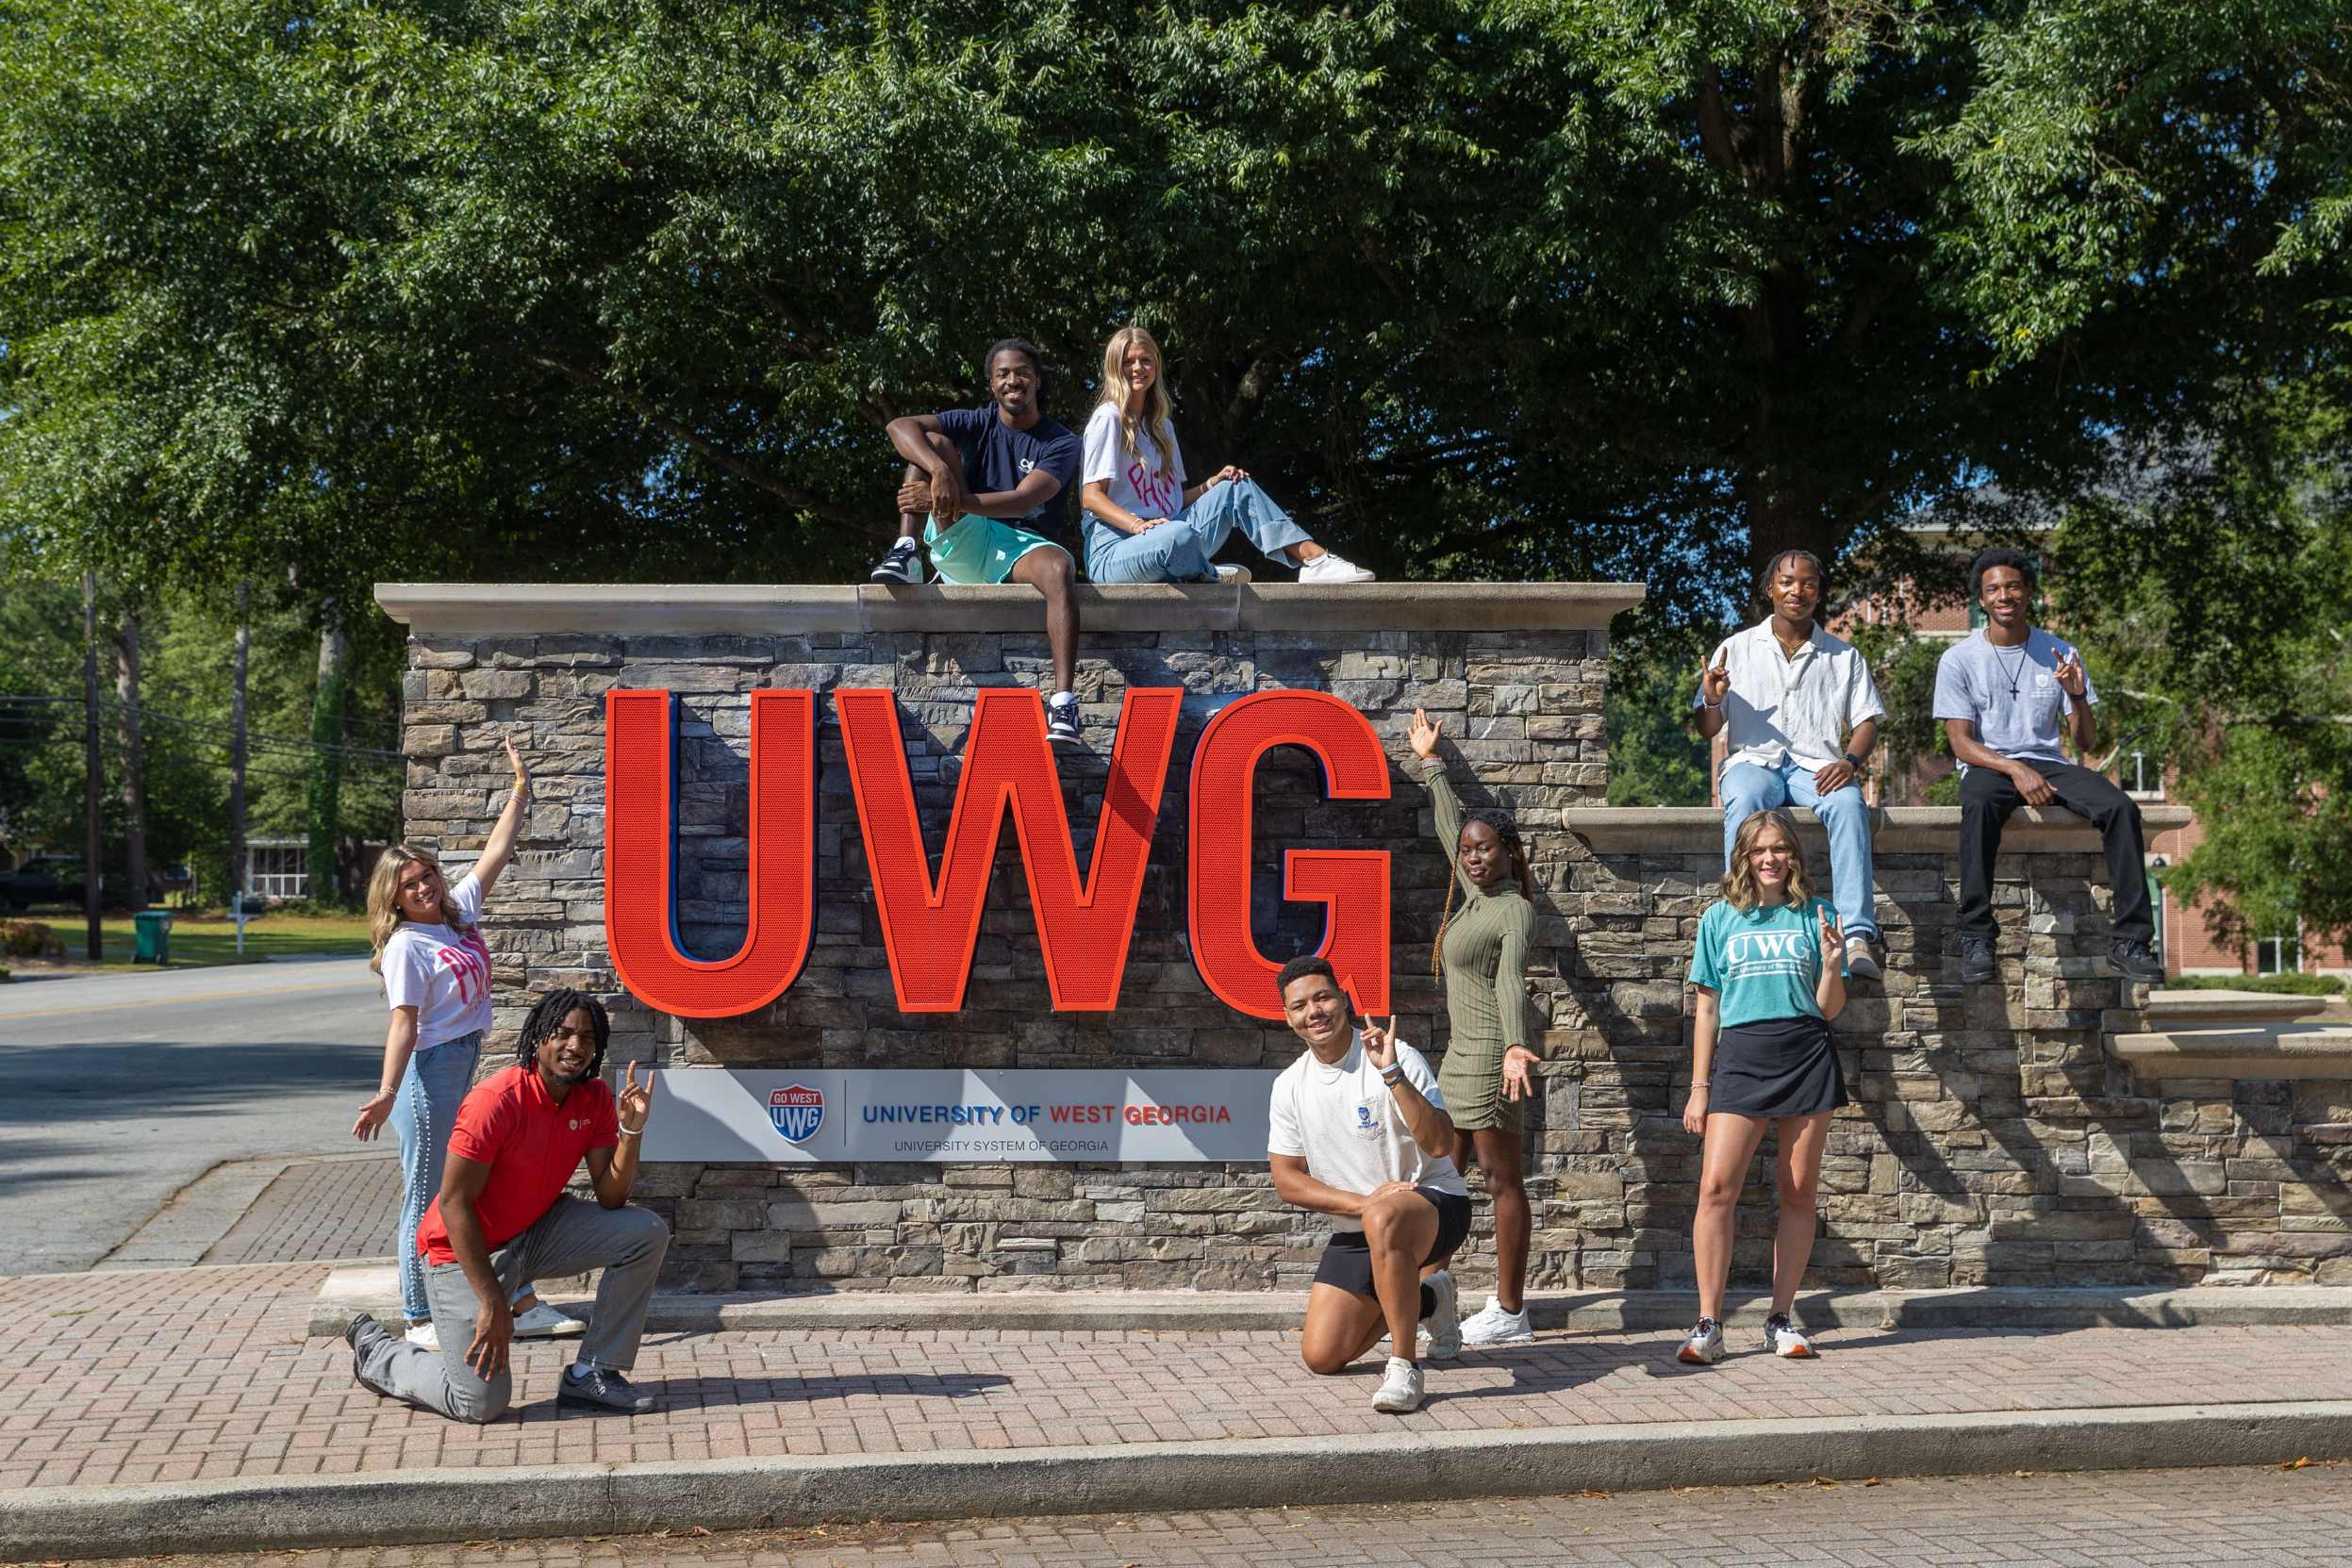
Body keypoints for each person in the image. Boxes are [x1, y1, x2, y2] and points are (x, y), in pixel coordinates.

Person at [345, 990, 671, 1422]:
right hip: (460, 1254)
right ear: (538, 1038)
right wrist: (494, 1302)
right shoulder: (496, 1101)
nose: (576, 1046)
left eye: (588, 1038)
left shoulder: (592, 1098)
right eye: (563, 1034)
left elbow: (612, 1197)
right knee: (479, 1403)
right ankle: (379, 1354)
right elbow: (454, 1203)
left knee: (644, 1234)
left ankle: (593, 1373)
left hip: (531, 1234)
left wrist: (631, 1132)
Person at [354, 736, 572, 1351]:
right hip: (428, 1076)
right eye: (409, 883)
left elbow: (495, 854)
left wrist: (521, 790)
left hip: (461, 1065)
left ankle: (514, 1296)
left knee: (485, 1183)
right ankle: (419, 1317)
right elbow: (404, 1023)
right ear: (393, 896)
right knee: (427, 1197)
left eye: (425, 875)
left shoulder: (457, 916)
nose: (422, 886)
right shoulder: (406, 947)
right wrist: (388, 1091)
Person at [1933, 548, 2163, 985]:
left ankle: (2130, 942)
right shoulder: (1959, 659)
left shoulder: (2060, 651)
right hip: (1989, 763)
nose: (2005, 596)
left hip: (2048, 762)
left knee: (2120, 809)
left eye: (2013, 586)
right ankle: (1978, 936)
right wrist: (2014, 770)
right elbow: (1961, 744)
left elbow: (2086, 741)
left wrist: (2076, 695)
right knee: (1978, 805)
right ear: (1982, 600)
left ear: (2029, 592)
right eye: (1993, 589)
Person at [1678, 808, 1848, 1366]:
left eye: (1779, 848)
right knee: (1715, 1189)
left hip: (1805, 1052)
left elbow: (1829, 1009)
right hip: (1742, 1059)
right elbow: (1707, 1009)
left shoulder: (1818, 915)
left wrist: (1830, 965)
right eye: (1759, 850)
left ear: (1793, 855)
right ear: (1744, 858)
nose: (1770, 859)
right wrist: (1700, 1086)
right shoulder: (1719, 919)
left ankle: (1780, 1318)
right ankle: (1709, 1323)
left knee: (1798, 1190)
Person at [1268, 955, 1471, 1414]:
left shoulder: (1396, 1057)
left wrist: (1392, 1072)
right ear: (1289, 1017)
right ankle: (1428, 1299)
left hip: (1434, 1206)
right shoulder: (1289, 1085)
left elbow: (1440, 1144)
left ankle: (1404, 1367)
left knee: (1385, 1216)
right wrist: (1364, 1203)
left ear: (1342, 998)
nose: (1314, 1011)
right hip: (1362, 1223)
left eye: (1322, 997)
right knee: (1322, 1357)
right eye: (1300, 1005)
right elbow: (1287, 1179)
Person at [869, 338, 1087, 748]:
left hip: (1026, 542)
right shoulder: (978, 420)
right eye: (1002, 374)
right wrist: (939, 472)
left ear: (1037, 380)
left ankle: (1063, 704)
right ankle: (906, 553)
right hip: (970, 534)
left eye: (1021, 372)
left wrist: (950, 497)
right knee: (930, 443)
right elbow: (898, 426)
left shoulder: (1061, 441)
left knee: (1060, 569)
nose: (1012, 380)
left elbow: (1025, 498)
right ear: (991, 384)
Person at [1403, 707, 1539, 1345]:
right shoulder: (1473, 894)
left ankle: (1510, 1310)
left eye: (1486, 849)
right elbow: (1449, 825)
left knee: (1499, 1178)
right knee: (1441, 1181)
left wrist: (1516, 1043)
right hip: (1458, 1059)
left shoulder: (1513, 909)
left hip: (1491, 1058)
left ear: (1509, 852)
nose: (1474, 857)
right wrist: (1432, 764)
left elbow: (1512, 977)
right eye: (1470, 851)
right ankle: (1431, 1299)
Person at [1696, 550, 1888, 978]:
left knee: (1848, 805)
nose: (1796, 591)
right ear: (1770, 589)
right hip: (1754, 761)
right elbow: (1708, 728)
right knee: (1743, 798)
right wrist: (1712, 697)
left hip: (1816, 766)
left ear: (1818, 594)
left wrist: (1851, 761)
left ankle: (1856, 935)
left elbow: (1867, 723)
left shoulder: (1844, 656)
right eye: (1786, 582)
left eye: (1808, 584)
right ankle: (1739, 915)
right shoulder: (1737, 647)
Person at [1078, 326, 1373, 586]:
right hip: (1115, 549)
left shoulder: (1162, 427)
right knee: (1179, 536)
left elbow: (1172, 501)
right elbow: (1090, 497)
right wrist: (1137, 525)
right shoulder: (1109, 418)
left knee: (1234, 487)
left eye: (1145, 360)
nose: (1137, 368)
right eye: (1128, 361)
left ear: (1156, 366)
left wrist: (1211, 485)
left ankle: (1315, 560)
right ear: (1115, 368)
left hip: (1165, 534)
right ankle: (1208, 575)